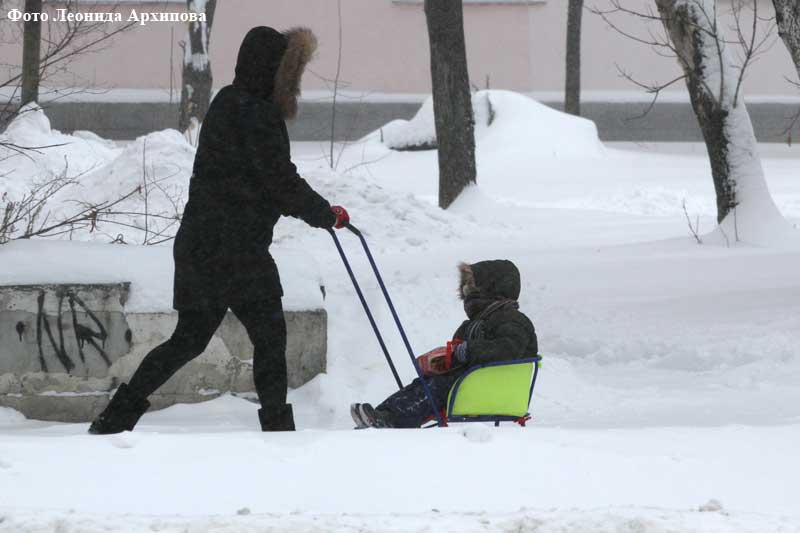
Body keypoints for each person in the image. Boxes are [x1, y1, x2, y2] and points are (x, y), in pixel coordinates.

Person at [89, 26, 348, 434]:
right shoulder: (257, 114)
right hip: (234, 250)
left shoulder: (229, 101)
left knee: (190, 340)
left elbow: (266, 179)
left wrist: (315, 210)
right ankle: (278, 430)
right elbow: (280, 181)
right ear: (274, 70)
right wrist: (325, 214)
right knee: (268, 338)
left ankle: (115, 418)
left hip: (203, 245)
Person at [350, 260, 538, 429]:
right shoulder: (474, 323)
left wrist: (467, 351)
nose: (468, 294)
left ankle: (393, 420)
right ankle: (383, 413)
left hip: (495, 386)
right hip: (475, 382)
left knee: (439, 386)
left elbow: (507, 349)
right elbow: (460, 350)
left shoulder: (513, 320)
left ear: (490, 289)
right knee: (425, 382)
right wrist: (444, 359)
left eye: (472, 288)